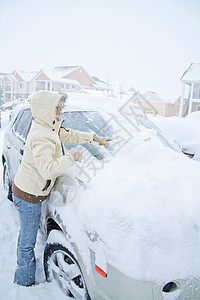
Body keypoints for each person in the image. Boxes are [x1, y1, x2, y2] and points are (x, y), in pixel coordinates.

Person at [12, 90, 110, 287]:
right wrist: (71, 157)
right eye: (59, 108)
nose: (61, 112)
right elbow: (47, 169)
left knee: (27, 237)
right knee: (27, 241)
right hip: (29, 195)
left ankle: (25, 273)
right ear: (48, 110)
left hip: (32, 189)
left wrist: (93, 137)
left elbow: (67, 134)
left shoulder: (47, 125)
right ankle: (23, 280)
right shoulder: (41, 136)